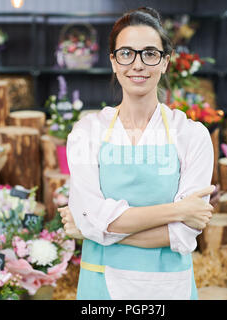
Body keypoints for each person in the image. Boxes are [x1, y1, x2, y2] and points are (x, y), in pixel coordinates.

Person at [60, 7, 215, 300]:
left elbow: (181, 235)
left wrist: (97, 231)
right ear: (114, 62)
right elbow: (88, 217)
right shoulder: (87, 132)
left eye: (150, 54)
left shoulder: (192, 135)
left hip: (168, 288)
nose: (138, 64)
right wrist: (177, 210)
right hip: (100, 286)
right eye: (126, 53)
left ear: (165, 62)